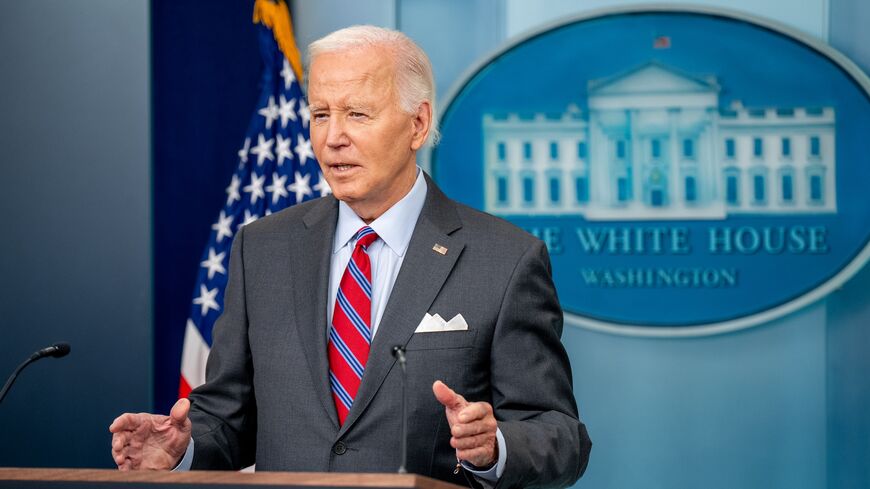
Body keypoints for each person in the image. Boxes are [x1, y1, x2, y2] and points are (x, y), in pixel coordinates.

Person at [110, 25, 591, 488]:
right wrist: (182, 451)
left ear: (418, 124)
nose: (332, 137)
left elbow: (561, 436)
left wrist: (496, 446)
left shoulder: (505, 260)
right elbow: (228, 419)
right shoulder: (261, 249)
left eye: (357, 114)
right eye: (321, 115)